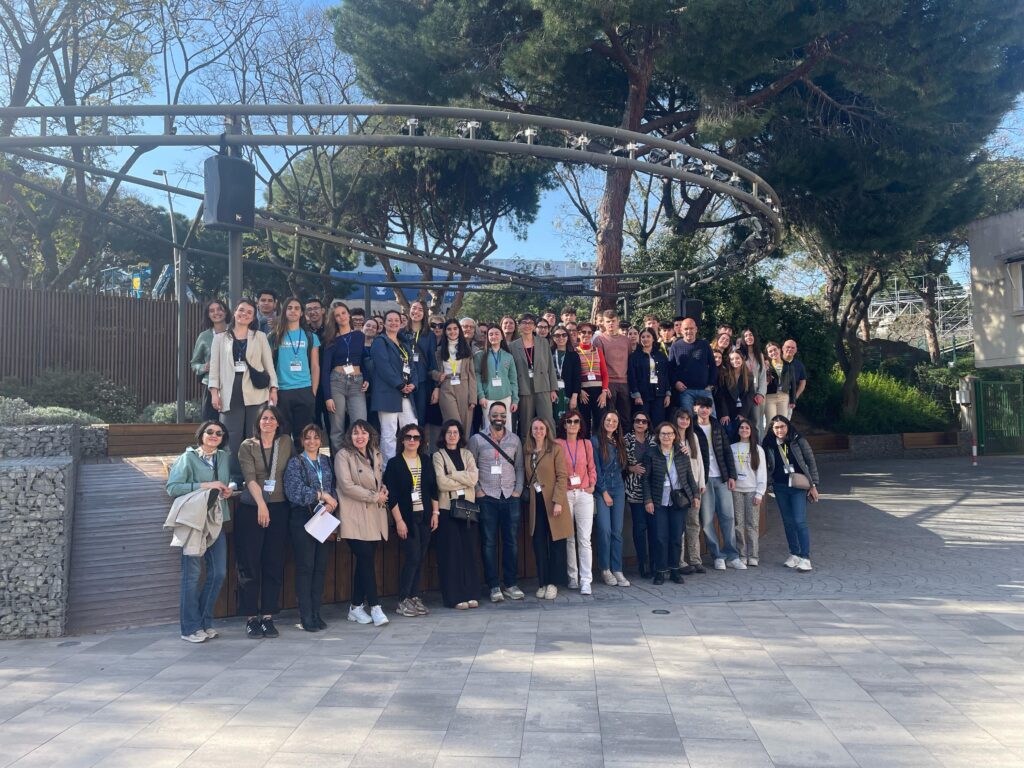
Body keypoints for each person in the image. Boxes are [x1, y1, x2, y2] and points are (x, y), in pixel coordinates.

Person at [165, 420, 233, 643]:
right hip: (194, 522)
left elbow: (228, 481)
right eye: (209, 432)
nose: (214, 435)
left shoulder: (224, 457)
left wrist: (227, 489)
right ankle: (189, 628)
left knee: (219, 572)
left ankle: (204, 622)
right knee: (192, 576)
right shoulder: (188, 458)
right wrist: (205, 485)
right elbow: (173, 488)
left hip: (216, 520)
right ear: (201, 434)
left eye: (219, 433)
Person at [236, 405, 293, 639]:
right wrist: (261, 504)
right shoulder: (247, 445)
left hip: (279, 508)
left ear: (278, 423)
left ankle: (268, 616)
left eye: (272, 418)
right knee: (249, 564)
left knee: (273, 562)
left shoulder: (286, 442)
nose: (267, 422)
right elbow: (249, 478)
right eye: (264, 418)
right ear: (258, 422)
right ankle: (251, 618)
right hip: (253, 508)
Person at [208, 299, 277, 480]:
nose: (244, 314)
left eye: (249, 312)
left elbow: (268, 365)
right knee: (231, 435)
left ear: (253, 317)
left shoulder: (259, 337)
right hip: (230, 390)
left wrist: (273, 389)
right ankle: (233, 476)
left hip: (256, 391)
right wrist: (214, 392)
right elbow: (214, 368)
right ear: (235, 312)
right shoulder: (220, 338)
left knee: (254, 434)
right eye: (241, 310)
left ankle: (255, 476)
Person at [468, 401, 526, 602]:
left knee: (512, 542)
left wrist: (518, 490)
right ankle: (493, 586)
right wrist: (478, 491)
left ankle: (510, 584)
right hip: (487, 497)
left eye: (502, 414)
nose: (498, 418)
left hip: (510, 496)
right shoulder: (476, 439)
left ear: (506, 416)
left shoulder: (515, 440)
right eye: (495, 415)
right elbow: (471, 467)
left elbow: (519, 467)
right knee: (489, 542)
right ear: (488, 417)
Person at [283, 424, 337, 632]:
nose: (312, 441)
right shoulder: (295, 462)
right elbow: (294, 491)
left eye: (316, 437)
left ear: (321, 440)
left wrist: (331, 503)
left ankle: (316, 612)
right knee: (305, 567)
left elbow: (332, 487)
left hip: (324, 517)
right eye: (308, 438)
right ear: (302, 441)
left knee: (320, 567)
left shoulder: (326, 461)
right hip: (303, 517)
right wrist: (321, 495)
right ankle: (305, 615)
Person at [335, 420, 390, 627]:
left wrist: (383, 489)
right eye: (356, 433)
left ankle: (356, 607)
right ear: (350, 436)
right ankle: (375, 606)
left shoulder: (375, 453)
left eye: (364, 433)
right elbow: (346, 486)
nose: (360, 437)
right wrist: (374, 496)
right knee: (366, 559)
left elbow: (378, 480)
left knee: (364, 562)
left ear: (370, 435)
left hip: (374, 515)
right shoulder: (343, 455)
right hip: (353, 515)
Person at [384, 423, 439, 617]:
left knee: (421, 557)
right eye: (408, 437)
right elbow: (392, 496)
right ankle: (403, 599)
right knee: (413, 556)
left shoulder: (426, 460)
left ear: (421, 441)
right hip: (406, 517)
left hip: (424, 515)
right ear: (402, 440)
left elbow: (433, 489)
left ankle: (414, 596)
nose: (412, 440)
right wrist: (399, 521)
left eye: (416, 437)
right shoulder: (394, 464)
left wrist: (435, 513)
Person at [432, 420, 481, 610]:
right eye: (449, 432)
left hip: (467, 508)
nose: (452, 436)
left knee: (469, 552)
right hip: (447, 509)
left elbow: (474, 478)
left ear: (460, 435)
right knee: (452, 553)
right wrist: (463, 478)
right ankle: (454, 596)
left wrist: (452, 473)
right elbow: (441, 483)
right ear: (443, 435)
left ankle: (471, 593)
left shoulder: (467, 454)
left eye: (455, 432)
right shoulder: (438, 456)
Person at [643, 421, 699, 585]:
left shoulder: (681, 453)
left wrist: (695, 495)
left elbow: (689, 476)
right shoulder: (651, 454)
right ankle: (660, 571)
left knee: (676, 537)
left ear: (675, 436)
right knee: (660, 537)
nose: (666, 436)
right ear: (658, 436)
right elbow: (645, 480)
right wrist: (648, 500)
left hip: (678, 501)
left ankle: (675, 570)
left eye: (669, 433)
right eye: (663, 434)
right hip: (658, 501)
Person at [763, 415, 820, 572]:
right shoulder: (769, 444)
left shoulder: (798, 440)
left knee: (799, 521)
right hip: (780, 486)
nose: (780, 430)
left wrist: (814, 484)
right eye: (776, 427)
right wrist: (769, 483)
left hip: (798, 486)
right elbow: (766, 466)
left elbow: (811, 461)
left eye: (782, 426)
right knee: (788, 522)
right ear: (772, 429)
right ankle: (794, 554)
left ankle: (805, 558)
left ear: (788, 426)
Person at [693, 397, 743, 571]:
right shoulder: (691, 428)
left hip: (722, 478)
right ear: (695, 408)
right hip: (703, 480)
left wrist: (731, 476)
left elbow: (727, 451)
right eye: (701, 407)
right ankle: (717, 556)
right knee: (707, 520)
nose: (704, 410)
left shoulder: (717, 425)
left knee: (728, 517)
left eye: (707, 407)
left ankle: (732, 555)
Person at [523, 417, 570, 599]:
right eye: (535, 428)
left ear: (547, 430)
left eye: (541, 428)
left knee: (556, 543)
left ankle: (553, 583)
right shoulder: (528, 451)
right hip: (536, 503)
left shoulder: (555, 449)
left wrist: (558, 501)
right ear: (531, 431)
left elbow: (562, 476)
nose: (538, 431)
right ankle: (542, 582)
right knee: (539, 543)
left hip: (553, 502)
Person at [271, 297, 320, 449]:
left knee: (304, 436)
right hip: (282, 391)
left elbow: (315, 366)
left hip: (304, 389)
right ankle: (283, 464)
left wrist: (313, 391)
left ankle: (302, 463)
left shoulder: (311, 336)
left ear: (302, 313)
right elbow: (269, 365)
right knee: (282, 435)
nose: (293, 311)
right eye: (290, 308)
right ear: (284, 311)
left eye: (297, 308)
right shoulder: (274, 336)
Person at [556, 409, 596, 594]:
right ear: (564, 425)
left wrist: (592, 485)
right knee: (569, 538)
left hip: (583, 493)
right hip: (565, 494)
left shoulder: (586, 443)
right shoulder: (558, 444)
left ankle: (586, 580)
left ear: (581, 425)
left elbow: (591, 466)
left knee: (584, 539)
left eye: (576, 421)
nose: (572, 424)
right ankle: (572, 576)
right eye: (569, 421)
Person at [371, 310, 417, 460]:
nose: (394, 323)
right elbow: (383, 366)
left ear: (401, 323)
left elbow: (412, 367)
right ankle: (388, 467)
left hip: (406, 393)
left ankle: (409, 462)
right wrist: (399, 384)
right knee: (389, 433)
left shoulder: (404, 343)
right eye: (390, 320)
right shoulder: (380, 341)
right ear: (384, 324)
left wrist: (413, 383)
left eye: (396, 320)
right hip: (388, 393)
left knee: (411, 429)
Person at [322, 302, 369, 452]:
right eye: (337, 315)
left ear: (349, 314)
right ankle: (339, 462)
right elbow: (325, 369)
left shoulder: (359, 336)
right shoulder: (331, 339)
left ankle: (358, 460)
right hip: (337, 382)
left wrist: (367, 379)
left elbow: (363, 360)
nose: (341, 317)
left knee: (360, 424)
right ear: (334, 319)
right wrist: (327, 397)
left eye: (343, 313)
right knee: (337, 427)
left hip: (357, 383)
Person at [592, 410, 630, 588]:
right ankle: (605, 569)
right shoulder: (595, 441)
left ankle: (617, 569)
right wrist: (604, 492)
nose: (611, 423)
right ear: (603, 421)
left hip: (619, 488)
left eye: (614, 421)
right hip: (603, 489)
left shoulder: (620, 441)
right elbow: (596, 469)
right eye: (608, 420)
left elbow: (624, 466)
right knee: (605, 530)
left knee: (617, 531)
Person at [509, 314, 557, 439]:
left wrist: (553, 388)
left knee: (547, 420)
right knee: (526, 423)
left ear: (534, 326)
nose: (527, 325)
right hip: (524, 387)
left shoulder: (543, 342)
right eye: (524, 323)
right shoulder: (512, 346)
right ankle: (526, 449)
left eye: (530, 323)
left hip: (543, 386)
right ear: (519, 326)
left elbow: (550, 366)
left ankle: (551, 447)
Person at [673, 408, 706, 575]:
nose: (684, 421)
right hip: (679, 487)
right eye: (681, 418)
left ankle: (695, 559)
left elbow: (699, 460)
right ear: (676, 419)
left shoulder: (693, 437)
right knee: (679, 526)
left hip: (694, 487)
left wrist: (701, 482)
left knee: (693, 523)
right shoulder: (671, 436)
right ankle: (680, 561)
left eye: (687, 419)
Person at [731, 417, 767, 567]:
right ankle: (741, 554)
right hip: (736, 491)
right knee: (738, 524)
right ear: (738, 430)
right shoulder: (732, 448)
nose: (744, 430)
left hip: (752, 490)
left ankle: (753, 556)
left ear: (751, 431)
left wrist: (760, 493)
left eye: (747, 428)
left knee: (752, 524)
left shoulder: (758, 449)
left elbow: (762, 472)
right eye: (741, 427)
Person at [624, 410, 656, 579]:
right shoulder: (626, 440)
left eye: (644, 421)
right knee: (639, 527)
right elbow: (620, 463)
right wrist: (631, 468)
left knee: (653, 527)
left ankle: (654, 563)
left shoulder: (654, 439)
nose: (640, 424)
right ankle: (642, 563)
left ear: (648, 424)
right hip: (634, 488)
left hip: (653, 488)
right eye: (637, 421)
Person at [432, 319, 477, 429]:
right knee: (453, 423)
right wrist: (437, 375)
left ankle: (463, 442)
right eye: (449, 329)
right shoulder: (439, 350)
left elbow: (472, 375)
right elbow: (430, 370)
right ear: (445, 331)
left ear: (459, 330)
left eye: (455, 329)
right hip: (446, 386)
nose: (452, 332)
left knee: (465, 425)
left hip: (464, 386)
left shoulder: (466, 348)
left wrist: (473, 398)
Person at [190, 299, 229, 421]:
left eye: (219, 309)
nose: (216, 313)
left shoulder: (235, 332)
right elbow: (194, 363)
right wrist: (204, 367)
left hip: (233, 384)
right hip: (210, 386)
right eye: (212, 311)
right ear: (208, 315)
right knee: (211, 423)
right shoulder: (204, 336)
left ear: (226, 312)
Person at [669, 317, 717, 416]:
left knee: (711, 418)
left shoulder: (704, 344)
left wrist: (711, 384)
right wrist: (676, 382)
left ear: (696, 329)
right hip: (685, 391)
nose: (689, 331)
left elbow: (713, 365)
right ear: (681, 330)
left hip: (704, 390)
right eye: (686, 329)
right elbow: (670, 368)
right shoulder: (675, 346)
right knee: (688, 419)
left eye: (691, 328)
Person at [628, 327, 672, 428]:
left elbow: (665, 375)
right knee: (643, 422)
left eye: (648, 336)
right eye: (643, 337)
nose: (645, 339)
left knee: (658, 422)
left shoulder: (661, 355)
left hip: (659, 394)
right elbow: (632, 377)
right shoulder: (634, 357)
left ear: (653, 338)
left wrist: (668, 394)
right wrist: (636, 395)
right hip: (643, 395)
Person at [403, 300, 436, 424]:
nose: (416, 311)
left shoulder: (430, 335)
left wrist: (436, 386)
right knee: (405, 417)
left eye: (420, 309)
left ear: (425, 313)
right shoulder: (401, 333)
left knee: (420, 417)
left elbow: (432, 360)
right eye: (414, 308)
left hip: (422, 380)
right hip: (404, 381)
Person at [594, 310, 631, 418]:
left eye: (613, 321)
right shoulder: (599, 340)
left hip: (625, 382)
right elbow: (598, 365)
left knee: (626, 416)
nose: (611, 323)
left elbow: (629, 360)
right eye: (608, 321)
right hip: (609, 383)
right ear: (603, 323)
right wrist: (605, 386)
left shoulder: (626, 340)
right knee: (608, 416)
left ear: (618, 321)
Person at [475, 326, 519, 416]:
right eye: (491, 334)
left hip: (506, 397)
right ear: (487, 337)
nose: (494, 336)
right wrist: (481, 396)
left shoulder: (508, 356)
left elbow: (513, 380)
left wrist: (515, 400)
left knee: (506, 424)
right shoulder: (480, 355)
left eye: (496, 334)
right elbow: (477, 377)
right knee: (489, 424)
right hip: (487, 398)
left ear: (502, 336)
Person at [575, 322, 609, 435]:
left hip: (599, 392)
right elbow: (573, 375)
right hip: (583, 392)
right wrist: (579, 390)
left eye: (589, 332)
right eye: (583, 332)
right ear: (578, 334)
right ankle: (585, 444)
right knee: (584, 422)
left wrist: (604, 392)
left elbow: (604, 373)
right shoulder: (575, 352)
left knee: (601, 422)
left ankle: (601, 445)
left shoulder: (597, 351)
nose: (586, 335)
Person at [715, 349, 755, 439]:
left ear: (742, 359)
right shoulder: (724, 375)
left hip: (742, 410)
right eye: (732, 359)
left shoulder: (749, 376)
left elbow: (750, 396)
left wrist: (743, 414)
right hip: (727, 410)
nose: (735, 361)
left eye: (737, 358)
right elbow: (721, 395)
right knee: (728, 431)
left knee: (739, 433)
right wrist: (725, 413)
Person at [738, 328, 767, 431]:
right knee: (741, 422)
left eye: (750, 335)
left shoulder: (760, 355)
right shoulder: (739, 353)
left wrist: (761, 393)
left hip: (756, 394)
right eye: (745, 336)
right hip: (743, 393)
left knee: (756, 424)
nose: (748, 337)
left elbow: (762, 375)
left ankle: (756, 442)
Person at [550, 325, 581, 423]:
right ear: (553, 337)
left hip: (568, 393)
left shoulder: (574, 355)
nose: (561, 338)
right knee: (553, 420)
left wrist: (574, 397)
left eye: (564, 335)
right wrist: (551, 390)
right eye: (557, 335)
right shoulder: (549, 354)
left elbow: (577, 377)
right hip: (553, 393)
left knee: (568, 420)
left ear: (568, 337)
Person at [764, 341, 797, 423]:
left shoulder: (788, 365)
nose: (773, 352)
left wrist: (793, 400)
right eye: (770, 351)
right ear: (768, 354)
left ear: (779, 350)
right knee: (770, 422)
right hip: (770, 396)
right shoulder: (766, 365)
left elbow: (793, 383)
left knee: (782, 422)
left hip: (784, 396)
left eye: (775, 350)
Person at [782, 339, 808, 411]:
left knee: (785, 418)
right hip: (772, 396)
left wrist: (795, 397)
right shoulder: (774, 361)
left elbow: (803, 382)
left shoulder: (799, 365)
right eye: (788, 347)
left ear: (796, 350)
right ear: (783, 348)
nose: (790, 349)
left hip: (789, 399)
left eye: (793, 348)